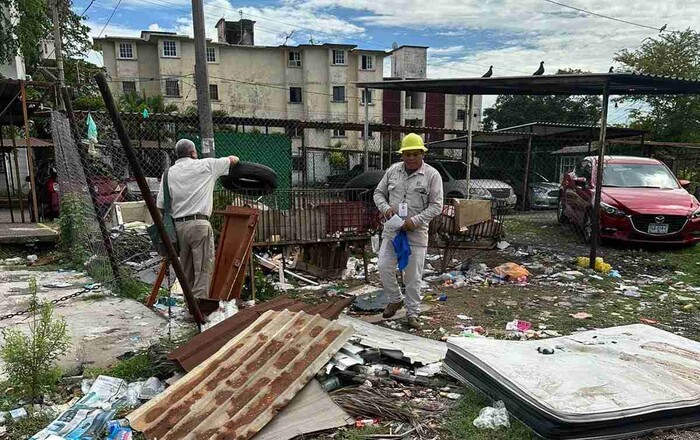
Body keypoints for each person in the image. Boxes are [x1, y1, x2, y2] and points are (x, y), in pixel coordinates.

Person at [373, 133, 443, 329]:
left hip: (416, 232)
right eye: (407, 154)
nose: (411, 158)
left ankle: (413, 314)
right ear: (402, 155)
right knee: (384, 266)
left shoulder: (431, 175)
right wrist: (386, 209)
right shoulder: (393, 171)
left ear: (422, 154)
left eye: (415, 154)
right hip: (393, 229)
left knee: (413, 276)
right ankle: (395, 299)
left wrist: (416, 220)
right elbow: (378, 193)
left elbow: (436, 205)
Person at [156, 139, 239, 299]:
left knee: (186, 271)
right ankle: (200, 310)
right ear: (193, 152)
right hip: (200, 224)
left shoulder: (168, 174)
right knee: (202, 270)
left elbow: (160, 206)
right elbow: (233, 160)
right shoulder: (207, 165)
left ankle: (190, 309)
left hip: (179, 228)